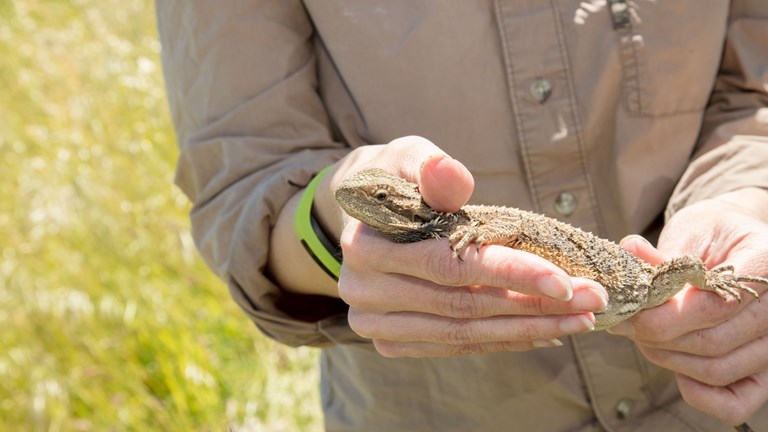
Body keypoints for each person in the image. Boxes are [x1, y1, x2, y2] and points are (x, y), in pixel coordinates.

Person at [156, 1, 768, 430]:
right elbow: (241, 182)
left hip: (702, 382)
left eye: (372, 203)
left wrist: (748, 203)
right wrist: (328, 224)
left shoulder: (461, 227)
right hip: (439, 413)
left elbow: (753, 89)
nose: (362, 208)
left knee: (670, 282)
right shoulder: (439, 223)